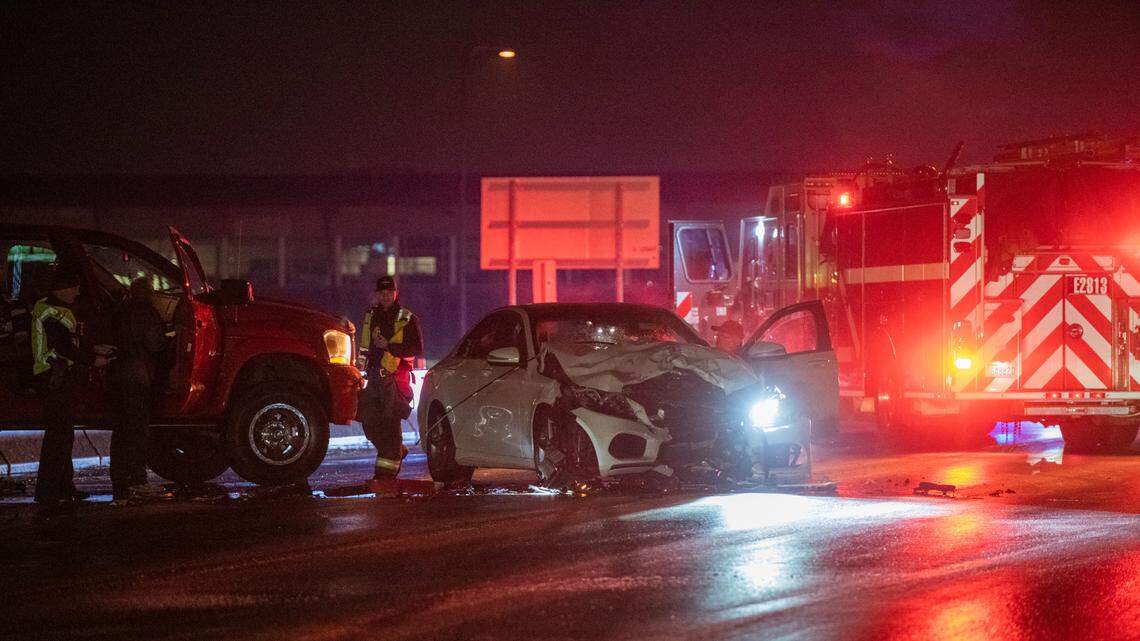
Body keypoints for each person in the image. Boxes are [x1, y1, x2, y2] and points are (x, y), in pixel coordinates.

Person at [30, 269, 110, 508]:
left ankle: (63, 487)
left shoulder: (50, 308)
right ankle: (48, 492)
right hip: (56, 378)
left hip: (58, 377)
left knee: (63, 433)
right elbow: (64, 347)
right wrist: (92, 360)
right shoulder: (51, 312)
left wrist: (95, 350)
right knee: (59, 435)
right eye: (73, 286)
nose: (77, 291)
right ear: (61, 289)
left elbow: (70, 342)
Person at [357, 275, 423, 492]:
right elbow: (365, 346)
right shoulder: (371, 316)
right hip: (373, 376)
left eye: (389, 293)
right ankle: (396, 450)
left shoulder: (407, 318)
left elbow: (416, 349)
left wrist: (390, 347)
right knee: (368, 421)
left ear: (396, 293)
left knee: (390, 423)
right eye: (382, 293)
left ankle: (385, 475)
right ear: (377, 294)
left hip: (395, 378)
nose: (385, 297)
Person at [109, 278, 169, 504]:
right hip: (138, 375)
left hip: (118, 375)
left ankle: (119, 477)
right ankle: (137, 479)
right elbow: (155, 344)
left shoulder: (120, 311)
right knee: (137, 429)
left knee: (122, 430)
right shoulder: (146, 313)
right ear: (148, 293)